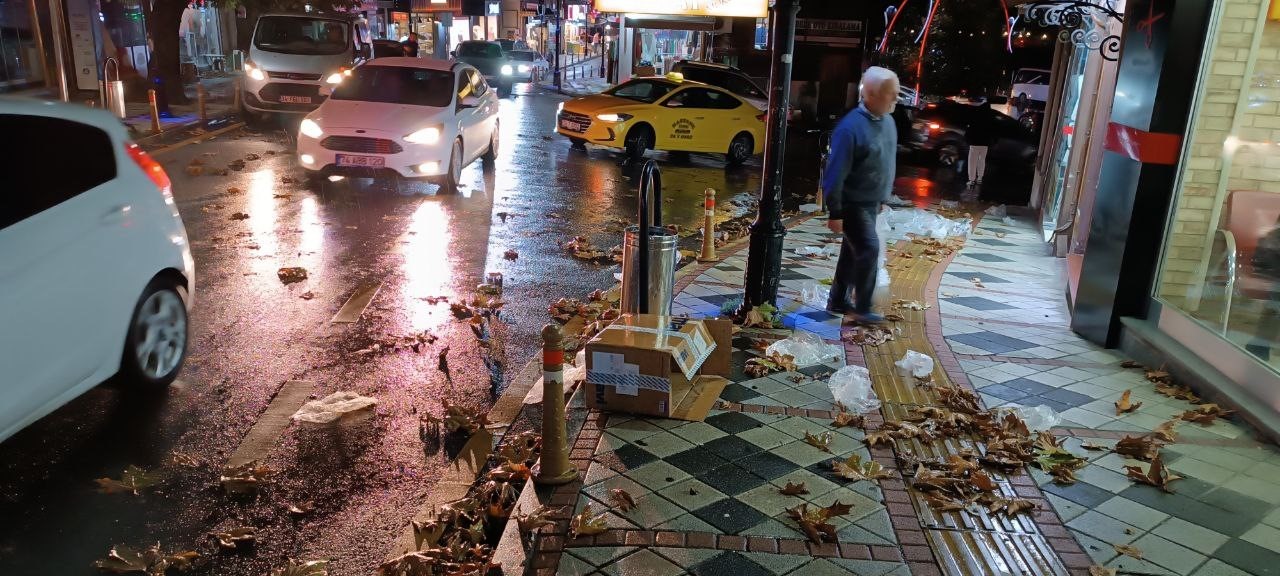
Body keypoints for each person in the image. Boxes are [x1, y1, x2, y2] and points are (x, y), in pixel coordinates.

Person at [823, 66, 900, 323]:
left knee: (851, 252)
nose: (896, 99)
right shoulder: (851, 128)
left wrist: (882, 198)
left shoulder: (888, 121)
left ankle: (837, 299)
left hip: (871, 202)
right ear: (872, 95)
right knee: (868, 250)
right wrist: (835, 211)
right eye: (892, 94)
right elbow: (835, 173)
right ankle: (861, 308)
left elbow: (885, 161)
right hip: (852, 203)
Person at [965, 98, 996, 188]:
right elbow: (992, 128)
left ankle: (971, 180)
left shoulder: (976, 113)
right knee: (982, 160)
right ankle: (980, 178)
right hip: (985, 142)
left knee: (972, 160)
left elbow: (970, 125)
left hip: (975, 141)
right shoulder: (990, 115)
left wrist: (968, 137)